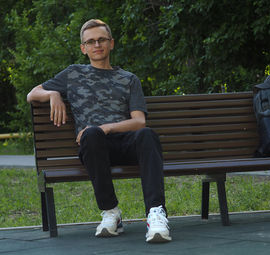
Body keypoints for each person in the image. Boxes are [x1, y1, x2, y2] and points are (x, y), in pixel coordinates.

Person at [27, 19, 171, 243]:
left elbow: (139, 121)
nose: (97, 44)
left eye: (101, 39)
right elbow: (32, 93)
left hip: (125, 144)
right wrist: (53, 94)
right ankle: (111, 212)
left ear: (111, 43)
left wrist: (107, 127)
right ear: (83, 48)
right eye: (91, 41)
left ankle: (155, 213)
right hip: (94, 147)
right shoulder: (73, 74)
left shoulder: (129, 79)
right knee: (92, 134)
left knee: (147, 134)